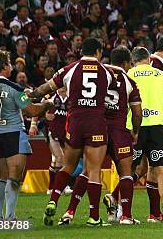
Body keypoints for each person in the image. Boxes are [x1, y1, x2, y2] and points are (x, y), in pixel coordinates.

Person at [29, 37, 116, 227]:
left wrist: (28, 95)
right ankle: (94, 217)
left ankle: (53, 200)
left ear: (81, 51)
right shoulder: (106, 72)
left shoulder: (70, 69)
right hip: (96, 123)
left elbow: (46, 88)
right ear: (99, 52)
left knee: (67, 166)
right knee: (93, 170)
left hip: (75, 123)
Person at [60, 46, 142, 225]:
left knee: (88, 171)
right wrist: (135, 131)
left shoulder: (101, 73)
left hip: (97, 127)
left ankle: (70, 211)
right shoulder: (128, 80)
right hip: (119, 130)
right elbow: (137, 112)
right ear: (127, 63)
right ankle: (126, 216)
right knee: (126, 172)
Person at [0, 51, 53, 221]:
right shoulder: (14, 88)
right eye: (8, 62)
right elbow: (32, 111)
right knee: (14, 177)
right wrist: (47, 103)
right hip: (14, 133)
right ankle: (10, 217)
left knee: (1, 177)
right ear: (5, 66)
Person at [127, 46, 163, 223]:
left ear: (133, 60)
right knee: (160, 170)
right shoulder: (161, 75)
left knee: (128, 170)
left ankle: (123, 213)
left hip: (134, 128)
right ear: (149, 60)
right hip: (156, 128)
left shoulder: (128, 74)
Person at [44, 87, 69, 195]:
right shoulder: (51, 97)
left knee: (59, 160)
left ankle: (52, 187)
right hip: (54, 130)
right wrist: (33, 125)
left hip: (68, 132)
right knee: (59, 157)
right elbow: (37, 109)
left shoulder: (72, 96)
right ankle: (61, 186)